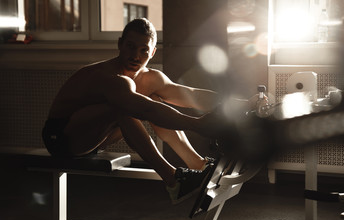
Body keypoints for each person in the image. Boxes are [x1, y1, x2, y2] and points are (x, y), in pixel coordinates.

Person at [42, 18, 249, 204]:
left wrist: (241, 104)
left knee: (152, 98)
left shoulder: (151, 77)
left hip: (95, 136)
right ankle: (173, 181)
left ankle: (198, 165)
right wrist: (197, 125)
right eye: (130, 47)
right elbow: (147, 110)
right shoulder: (110, 77)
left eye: (143, 50)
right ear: (120, 44)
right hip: (62, 138)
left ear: (152, 52)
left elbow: (191, 95)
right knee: (125, 107)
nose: (136, 56)